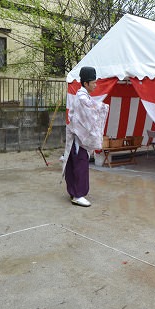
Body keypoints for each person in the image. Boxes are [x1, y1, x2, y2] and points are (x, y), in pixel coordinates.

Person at [63, 67, 109, 207]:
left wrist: (98, 107)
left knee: (74, 165)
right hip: (79, 138)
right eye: (93, 82)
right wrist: (102, 108)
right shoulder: (82, 97)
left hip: (77, 137)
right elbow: (89, 115)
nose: (96, 85)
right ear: (85, 83)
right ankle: (78, 195)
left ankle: (73, 192)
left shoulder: (83, 96)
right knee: (80, 166)